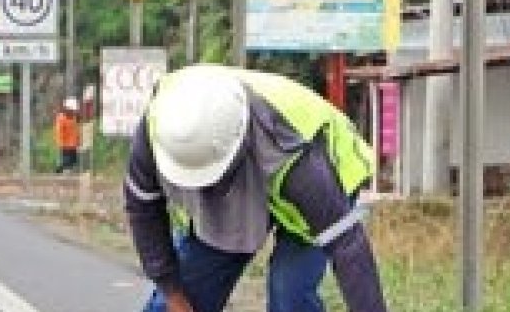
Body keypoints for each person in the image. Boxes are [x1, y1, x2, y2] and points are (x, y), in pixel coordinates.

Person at [124, 64, 389, 312]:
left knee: (290, 293)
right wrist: (172, 293)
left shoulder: (305, 168)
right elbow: (143, 210)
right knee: (181, 299)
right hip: (237, 179)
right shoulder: (161, 131)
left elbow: (347, 247)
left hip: (318, 166)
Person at [54, 97, 80, 173]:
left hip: (73, 145)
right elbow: (59, 132)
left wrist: (78, 141)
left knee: (73, 162)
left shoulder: (74, 118)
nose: (73, 112)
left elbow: (76, 131)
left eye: (74, 110)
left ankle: (67, 171)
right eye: (71, 110)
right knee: (65, 162)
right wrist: (61, 143)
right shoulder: (61, 118)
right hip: (65, 146)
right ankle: (62, 171)